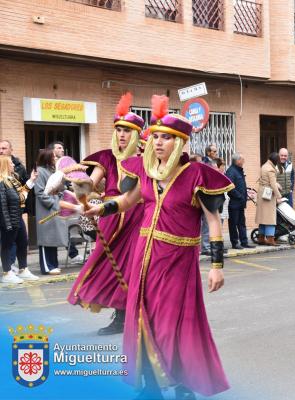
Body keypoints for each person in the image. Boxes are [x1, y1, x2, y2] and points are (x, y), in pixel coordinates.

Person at [85, 95, 231, 399]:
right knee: (140, 317)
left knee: (172, 325)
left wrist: (216, 266)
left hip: (178, 262)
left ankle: (183, 384)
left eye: (166, 138)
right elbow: (127, 201)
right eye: (156, 138)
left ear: (179, 142)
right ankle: (149, 385)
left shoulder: (196, 176)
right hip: (143, 258)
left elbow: (214, 221)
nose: (159, 143)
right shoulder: (147, 173)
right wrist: (102, 208)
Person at [67, 92, 146, 335]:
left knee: (136, 266)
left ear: (136, 135)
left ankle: (137, 314)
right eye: (119, 130)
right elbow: (90, 185)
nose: (122, 135)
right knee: (110, 266)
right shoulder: (106, 158)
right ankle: (121, 315)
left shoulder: (146, 160)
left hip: (138, 216)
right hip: (112, 217)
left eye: (127, 131)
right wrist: (76, 183)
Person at [0, 156, 38, 283]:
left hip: (17, 216)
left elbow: (21, 195)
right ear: (5, 165)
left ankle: (23, 270)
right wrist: (6, 223)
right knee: (6, 245)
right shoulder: (2, 182)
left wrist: (32, 180)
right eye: (10, 163)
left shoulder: (12, 180)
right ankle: (6, 273)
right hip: (8, 219)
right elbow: (3, 204)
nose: (13, 165)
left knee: (23, 242)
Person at [34, 149, 67, 275]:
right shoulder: (39, 171)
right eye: (53, 156)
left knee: (53, 238)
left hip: (55, 207)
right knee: (46, 238)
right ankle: (47, 267)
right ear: (47, 158)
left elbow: (60, 188)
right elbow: (40, 193)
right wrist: (54, 203)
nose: (56, 158)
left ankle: (54, 264)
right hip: (46, 209)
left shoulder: (53, 171)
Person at [226, 153, 255, 249]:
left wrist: (246, 192)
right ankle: (235, 243)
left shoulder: (239, 171)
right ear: (237, 161)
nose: (244, 161)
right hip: (234, 203)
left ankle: (244, 242)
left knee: (242, 223)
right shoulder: (231, 171)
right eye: (242, 159)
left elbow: (240, 185)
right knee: (233, 224)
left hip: (241, 203)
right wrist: (239, 196)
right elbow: (230, 188)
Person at [256, 152, 284, 246]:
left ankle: (261, 238)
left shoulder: (264, 166)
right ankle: (270, 239)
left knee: (262, 217)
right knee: (270, 218)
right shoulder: (271, 169)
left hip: (261, 193)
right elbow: (273, 184)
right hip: (268, 195)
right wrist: (279, 196)